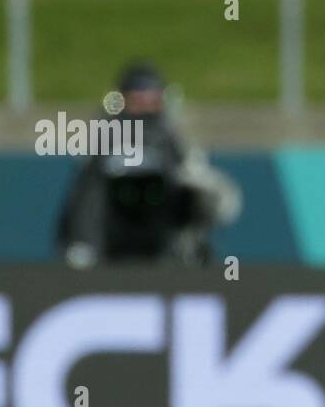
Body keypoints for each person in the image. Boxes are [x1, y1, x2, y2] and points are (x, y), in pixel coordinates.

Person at [57, 61, 240, 266]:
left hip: (164, 232)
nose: (144, 107)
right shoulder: (103, 136)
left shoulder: (176, 138)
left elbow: (213, 196)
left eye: (150, 99)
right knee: (92, 184)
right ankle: (86, 250)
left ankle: (186, 258)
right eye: (137, 100)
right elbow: (83, 198)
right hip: (113, 234)